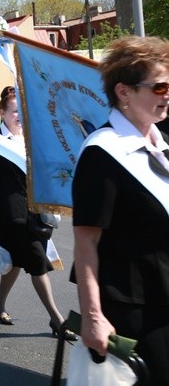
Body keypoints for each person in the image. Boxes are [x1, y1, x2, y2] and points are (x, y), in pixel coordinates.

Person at [72, 36, 169, 384]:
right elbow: (86, 244)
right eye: (159, 87)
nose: (167, 94)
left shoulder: (161, 144)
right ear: (124, 92)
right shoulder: (102, 153)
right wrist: (92, 315)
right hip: (135, 309)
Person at [0, 88, 76, 342]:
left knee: (13, 262)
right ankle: (57, 319)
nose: (19, 116)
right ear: (2, 113)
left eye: (22, 111)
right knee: (37, 263)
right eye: (14, 111)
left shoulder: (32, 140)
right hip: (11, 217)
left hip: (37, 214)